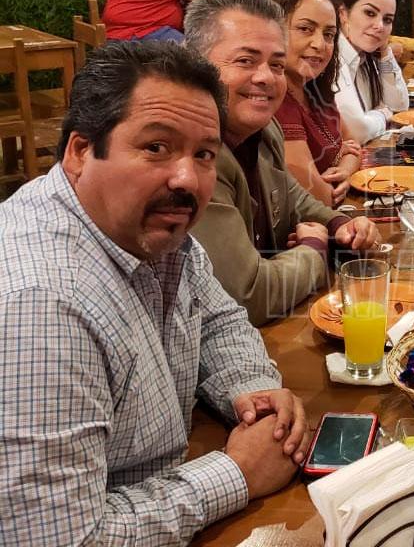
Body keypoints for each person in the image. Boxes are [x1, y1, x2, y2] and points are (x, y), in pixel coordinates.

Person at [0, 41, 310, 543]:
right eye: (156, 147)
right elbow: (62, 538)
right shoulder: (41, 308)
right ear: (80, 151)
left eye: (204, 154)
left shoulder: (150, 228)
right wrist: (236, 474)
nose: (187, 178)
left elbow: (219, 319)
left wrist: (252, 391)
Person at [184, 0, 381, 326]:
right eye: (245, 61)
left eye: (276, 64)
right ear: (195, 65)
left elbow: (293, 197)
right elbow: (250, 296)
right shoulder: (194, 160)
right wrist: (314, 250)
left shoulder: (263, 128)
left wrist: (341, 226)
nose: (265, 77)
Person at [269, 0, 362, 206]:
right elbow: (320, 198)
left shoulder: (314, 87)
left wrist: (345, 170)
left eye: (328, 34)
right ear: (274, 29)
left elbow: (354, 145)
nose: (320, 44)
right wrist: (344, 161)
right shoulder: (275, 99)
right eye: (305, 29)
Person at [334, 0, 410, 144]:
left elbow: (399, 106)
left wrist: (385, 53)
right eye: (369, 13)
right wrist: (383, 115)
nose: (379, 26)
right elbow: (357, 131)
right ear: (343, 13)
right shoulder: (331, 56)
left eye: (387, 20)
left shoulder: (366, 55)